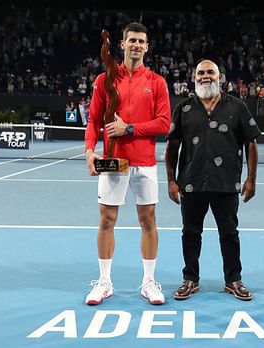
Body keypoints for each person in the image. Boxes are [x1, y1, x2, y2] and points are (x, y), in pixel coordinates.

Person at [84, 22, 171, 305]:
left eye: (141, 41)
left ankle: (148, 282)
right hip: (113, 160)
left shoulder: (157, 82)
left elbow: (164, 123)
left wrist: (129, 128)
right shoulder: (104, 80)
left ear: (147, 46)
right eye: (131, 40)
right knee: (107, 219)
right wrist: (89, 151)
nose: (136, 45)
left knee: (148, 220)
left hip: (144, 161)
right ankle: (104, 282)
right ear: (122, 44)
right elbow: (94, 119)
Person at [165, 59, 261, 301]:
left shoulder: (237, 107)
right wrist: (171, 181)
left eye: (211, 72)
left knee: (229, 233)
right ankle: (190, 279)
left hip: (226, 183)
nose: (205, 76)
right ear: (194, 77)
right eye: (201, 72)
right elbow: (172, 147)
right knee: (190, 233)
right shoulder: (184, 108)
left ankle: (233, 280)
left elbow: (251, 143)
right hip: (191, 183)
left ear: (220, 78)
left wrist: (251, 179)